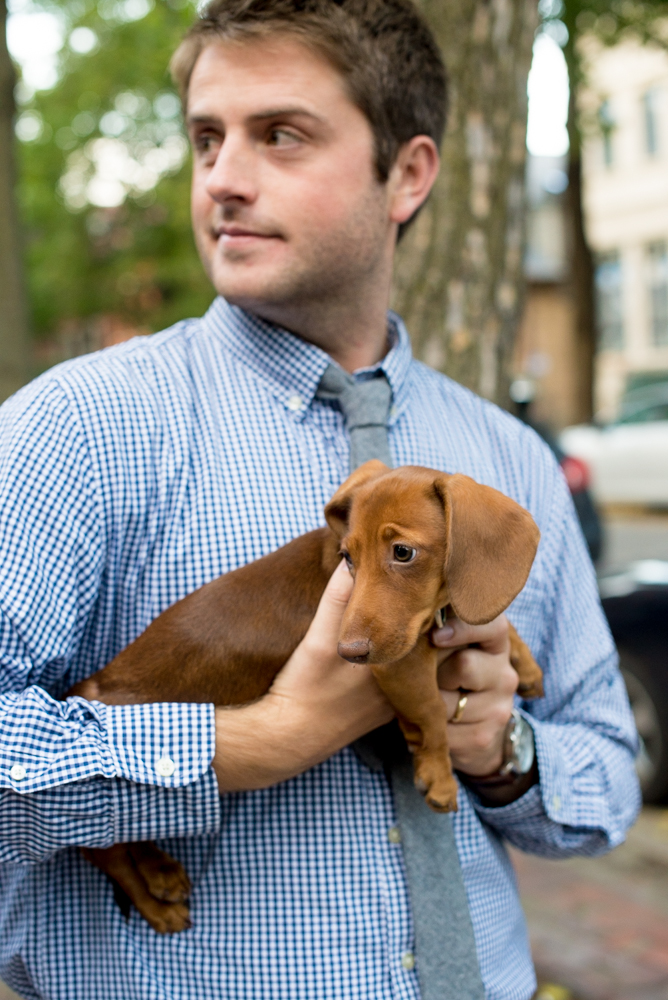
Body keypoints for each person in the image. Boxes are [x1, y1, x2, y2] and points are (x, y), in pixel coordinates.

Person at [0, 0, 639, 997]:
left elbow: (605, 775)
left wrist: (498, 746)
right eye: (206, 138)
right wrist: (250, 743)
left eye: (279, 135)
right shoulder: (74, 433)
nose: (223, 177)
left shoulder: (508, 462)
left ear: (409, 174)